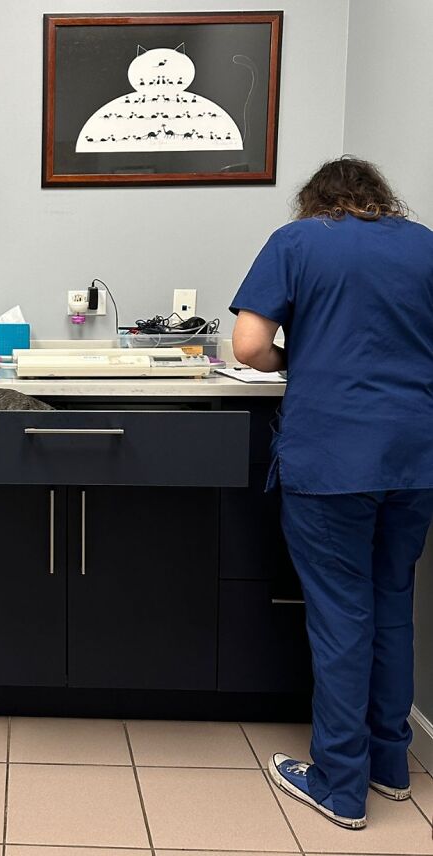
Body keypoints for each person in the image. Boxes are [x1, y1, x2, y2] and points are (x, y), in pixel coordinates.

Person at [230, 156, 433, 829]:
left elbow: (249, 345)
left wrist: (299, 357)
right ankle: (390, 765)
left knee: (342, 615)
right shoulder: (424, 245)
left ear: (315, 201)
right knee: (392, 603)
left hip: (333, 457)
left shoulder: (299, 241)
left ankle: (340, 784)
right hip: (414, 457)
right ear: (381, 198)